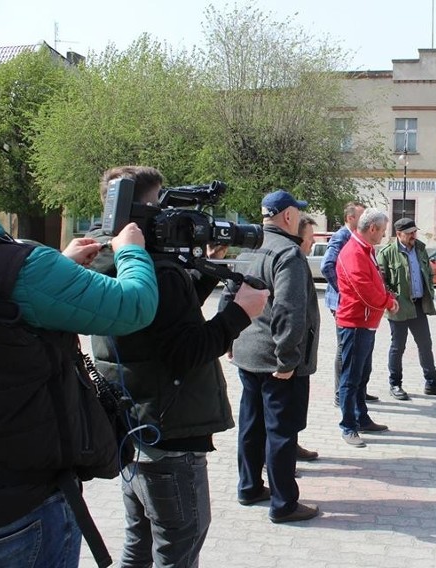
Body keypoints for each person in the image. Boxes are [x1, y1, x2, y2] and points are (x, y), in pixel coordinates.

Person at [0, 134, 159, 567]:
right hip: (16, 509)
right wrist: (131, 253)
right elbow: (134, 305)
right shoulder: (18, 266)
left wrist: (58, 272)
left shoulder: (24, 269)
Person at [89, 166, 269, 565]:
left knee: (139, 544)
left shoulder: (104, 258)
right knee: (180, 544)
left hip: (133, 427)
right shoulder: (156, 272)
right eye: (161, 205)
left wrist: (200, 275)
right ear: (143, 212)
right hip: (170, 436)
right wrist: (240, 313)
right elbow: (184, 351)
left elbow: (158, 325)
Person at [222, 190, 320, 523]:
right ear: (289, 216)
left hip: (248, 352)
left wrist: (228, 339)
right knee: (281, 431)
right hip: (275, 358)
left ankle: (249, 487)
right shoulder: (288, 253)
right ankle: (284, 504)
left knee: (251, 424)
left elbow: (228, 293)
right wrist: (287, 359)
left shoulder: (250, 247)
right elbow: (289, 311)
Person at [336, 208, 399, 447]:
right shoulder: (353, 252)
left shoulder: (366, 249)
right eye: (382, 230)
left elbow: (374, 283)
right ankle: (348, 426)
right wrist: (387, 302)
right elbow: (364, 289)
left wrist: (385, 295)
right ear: (372, 228)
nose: (384, 235)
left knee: (361, 376)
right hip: (355, 323)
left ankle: (361, 418)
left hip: (365, 323)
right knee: (351, 377)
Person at [376, 217, 436, 400]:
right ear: (398, 234)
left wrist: (431, 292)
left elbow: (428, 273)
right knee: (398, 347)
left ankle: (432, 383)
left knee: (425, 344)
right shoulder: (387, 253)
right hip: (399, 307)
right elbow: (381, 281)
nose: (413, 235)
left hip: (419, 305)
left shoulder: (420, 249)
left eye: (414, 232)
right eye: (409, 232)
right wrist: (392, 299)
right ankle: (395, 384)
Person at [320, 201, 379, 405]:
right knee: (345, 349)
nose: (365, 220)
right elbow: (326, 266)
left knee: (361, 351)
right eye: (362, 216)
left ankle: (358, 390)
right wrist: (345, 291)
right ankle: (341, 394)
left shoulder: (362, 240)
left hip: (358, 306)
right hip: (342, 304)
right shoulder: (341, 237)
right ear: (350, 218)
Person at [293, 213, 320, 462]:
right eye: (310, 238)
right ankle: (278, 460)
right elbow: (289, 313)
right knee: (284, 413)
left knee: (297, 408)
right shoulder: (291, 261)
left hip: (302, 352)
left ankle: (293, 444)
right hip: (291, 355)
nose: (312, 243)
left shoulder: (299, 259)